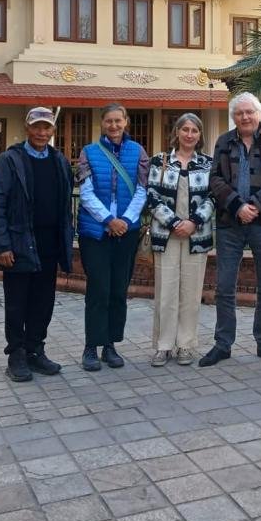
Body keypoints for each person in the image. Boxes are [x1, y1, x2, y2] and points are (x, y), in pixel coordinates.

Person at [199, 92, 261, 368]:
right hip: (230, 222)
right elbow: (214, 178)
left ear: (259, 114)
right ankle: (223, 344)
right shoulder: (223, 141)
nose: (245, 117)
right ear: (233, 117)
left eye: (250, 112)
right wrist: (238, 205)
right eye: (239, 113)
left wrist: (256, 205)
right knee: (224, 287)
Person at [0, 106, 73, 382]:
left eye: (46, 127)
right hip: (19, 243)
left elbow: (64, 203)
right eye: (36, 126)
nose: (41, 132)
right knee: (17, 303)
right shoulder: (10, 160)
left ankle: (36, 350)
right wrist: (2, 245)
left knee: (43, 301)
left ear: (52, 130)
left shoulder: (59, 160)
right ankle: (16, 354)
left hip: (49, 244)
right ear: (27, 127)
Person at [77, 103, 149, 371]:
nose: (114, 125)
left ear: (126, 122)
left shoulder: (138, 152)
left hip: (125, 233)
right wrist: (109, 220)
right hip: (96, 233)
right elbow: (86, 193)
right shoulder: (89, 152)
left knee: (119, 290)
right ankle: (91, 346)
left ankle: (110, 345)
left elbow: (142, 190)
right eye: (109, 121)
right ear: (102, 124)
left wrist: (125, 222)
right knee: (98, 289)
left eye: (118, 120)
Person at [146, 113, 214, 367]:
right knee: (166, 291)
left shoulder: (208, 163)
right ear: (176, 132)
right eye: (184, 129)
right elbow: (151, 195)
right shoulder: (161, 161)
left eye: (194, 130)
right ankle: (163, 346)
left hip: (197, 235)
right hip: (167, 235)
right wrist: (174, 223)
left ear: (200, 135)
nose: (189, 134)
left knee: (191, 292)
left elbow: (213, 197)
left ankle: (185, 344)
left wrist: (193, 222)